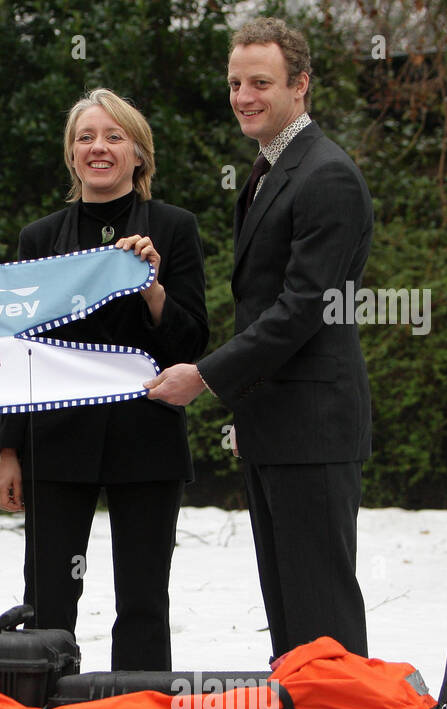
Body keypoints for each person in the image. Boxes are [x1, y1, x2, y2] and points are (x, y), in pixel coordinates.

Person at [146, 18, 373, 659]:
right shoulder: (272, 168)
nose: (244, 96)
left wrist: (208, 375)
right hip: (278, 420)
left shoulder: (325, 175)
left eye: (260, 83)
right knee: (287, 598)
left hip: (315, 424)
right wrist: (250, 404)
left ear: (300, 85)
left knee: (319, 601)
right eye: (235, 83)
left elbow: (302, 309)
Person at [0, 89, 209, 672]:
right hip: (56, 444)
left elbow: (190, 346)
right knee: (49, 600)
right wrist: (9, 448)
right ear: (70, 155)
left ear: (139, 155)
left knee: (143, 599)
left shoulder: (175, 228)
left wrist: (152, 289)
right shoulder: (39, 239)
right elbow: (21, 349)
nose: (99, 148)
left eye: (114, 137)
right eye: (86, 137)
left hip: (148, 439)